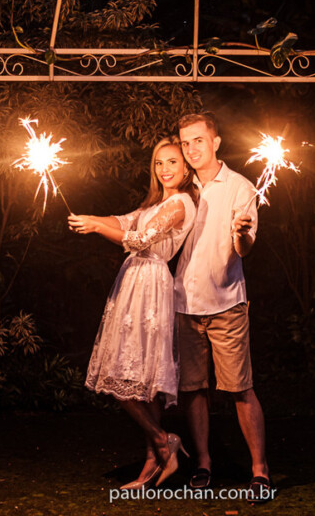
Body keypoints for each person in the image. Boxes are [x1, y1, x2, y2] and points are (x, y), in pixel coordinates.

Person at [68, 136, 198, 490]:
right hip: (133, 282)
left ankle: (162, 441)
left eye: (172, 162)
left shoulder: (182, 203)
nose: (165, 169)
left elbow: (139, 240)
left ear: (186, 167)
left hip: (151, 282)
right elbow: (125, 221)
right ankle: (152, 462)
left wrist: (96, 229)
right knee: (140, 385)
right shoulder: (159, 202)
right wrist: (92, 217)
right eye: (159, 163)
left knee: (125, 378)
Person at [175, 112, 273, 502]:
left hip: (227, 305)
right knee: (194, 390)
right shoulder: (180, 186)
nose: (191, 149)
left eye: (198, 140)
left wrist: (242, 234)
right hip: (183, 304)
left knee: (240, 390)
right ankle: (203, 463)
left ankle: (260, 471)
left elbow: (244, 249)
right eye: (185, 142)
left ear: (215, 142)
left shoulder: (241, 187)